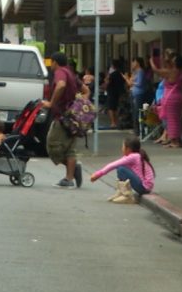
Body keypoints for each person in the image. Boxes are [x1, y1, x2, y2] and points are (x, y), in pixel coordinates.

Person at [43, 52, 83, 189]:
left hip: (62, 116)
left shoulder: (60, 72)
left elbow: (60, 85)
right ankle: (69, 178)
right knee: (70, 148)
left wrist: (51, 103)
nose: (50, 65)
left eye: (51, 62)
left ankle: (72, 171)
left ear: (55, 62)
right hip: (73, 116)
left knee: (52, 145)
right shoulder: (71, 73)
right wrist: (80, 104)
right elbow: (85, 90)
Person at [90, 136, 155, 204]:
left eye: (123, 146)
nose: (122, 148)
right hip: (144, 187)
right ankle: (121, 192)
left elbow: (113, 165)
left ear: (128, 149)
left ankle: (127, 195)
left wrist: (98, 174)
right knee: (120, 167)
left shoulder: (134, 157)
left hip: (144, 188)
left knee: (121, 169)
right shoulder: (135, 156)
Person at [151, 52, 182, 148]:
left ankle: (174, 141)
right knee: (177, 119)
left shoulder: (171, 72)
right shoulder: (180, 72)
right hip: (179, 96)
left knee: (171, 120)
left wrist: (151, 61)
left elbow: (156, 70)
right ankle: (177, 139)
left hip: (171, 97)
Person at [129, 57, 150, 136]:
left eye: (133, 62)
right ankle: (136, 129)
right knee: (134, 112)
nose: (132, 64)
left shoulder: (141, 71)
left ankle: (139, 130)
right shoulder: (135, 72)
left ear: (137, 63)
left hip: (139, 94)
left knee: (138, 112)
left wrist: (132, 83)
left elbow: (140, 83)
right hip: (134, 93)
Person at [104, 59, 127, 129]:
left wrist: (107, 77)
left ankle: (113, 123)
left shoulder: (112, 74)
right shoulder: (121, 73)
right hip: (120, 92)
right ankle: (116, 122)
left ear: (113, 66)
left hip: (112, 92)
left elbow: (107, 82)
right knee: (117, 107)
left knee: (111, 107)